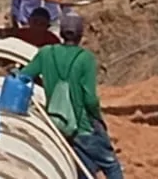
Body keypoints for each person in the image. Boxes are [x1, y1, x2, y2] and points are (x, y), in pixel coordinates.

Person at [18, 14, 124, 178]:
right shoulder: (85, 58)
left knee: (82, 167)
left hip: (57, 124)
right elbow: (90, 99)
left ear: (60, 33)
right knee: (111, 165)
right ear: (80, 35)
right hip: (82, 126)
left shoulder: (46, 53)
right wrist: (97, 118)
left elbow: (23, 77)